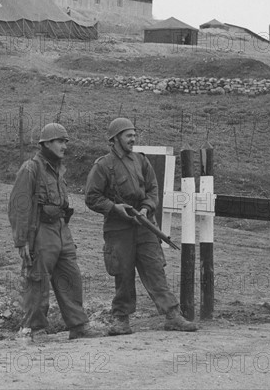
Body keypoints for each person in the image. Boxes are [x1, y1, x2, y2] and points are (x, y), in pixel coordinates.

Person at [85, 118, 198, 335]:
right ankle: (121, 320)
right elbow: (92, 197)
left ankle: (172, 316)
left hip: (145, 225)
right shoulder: (103, 165)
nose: (133, 138)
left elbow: (153, 189)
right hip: (118, 229)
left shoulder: (141, 161)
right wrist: (115, 207)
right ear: (115, 138)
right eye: (128, 135)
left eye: (134, 134)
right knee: (123, 273)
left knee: (155, 269)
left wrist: (146, 208)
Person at [9, 122, 100, 341]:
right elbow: (19, 206)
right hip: (40, 230)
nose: (64, 146)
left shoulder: (59, 169)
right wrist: (22, 241)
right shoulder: (31, 168)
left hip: (61, 229)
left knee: (71, 277)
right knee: (37, 280)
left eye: (66, 142)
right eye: (60, 141)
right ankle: (35, 329)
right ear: (47, 143)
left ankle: (78, 325)